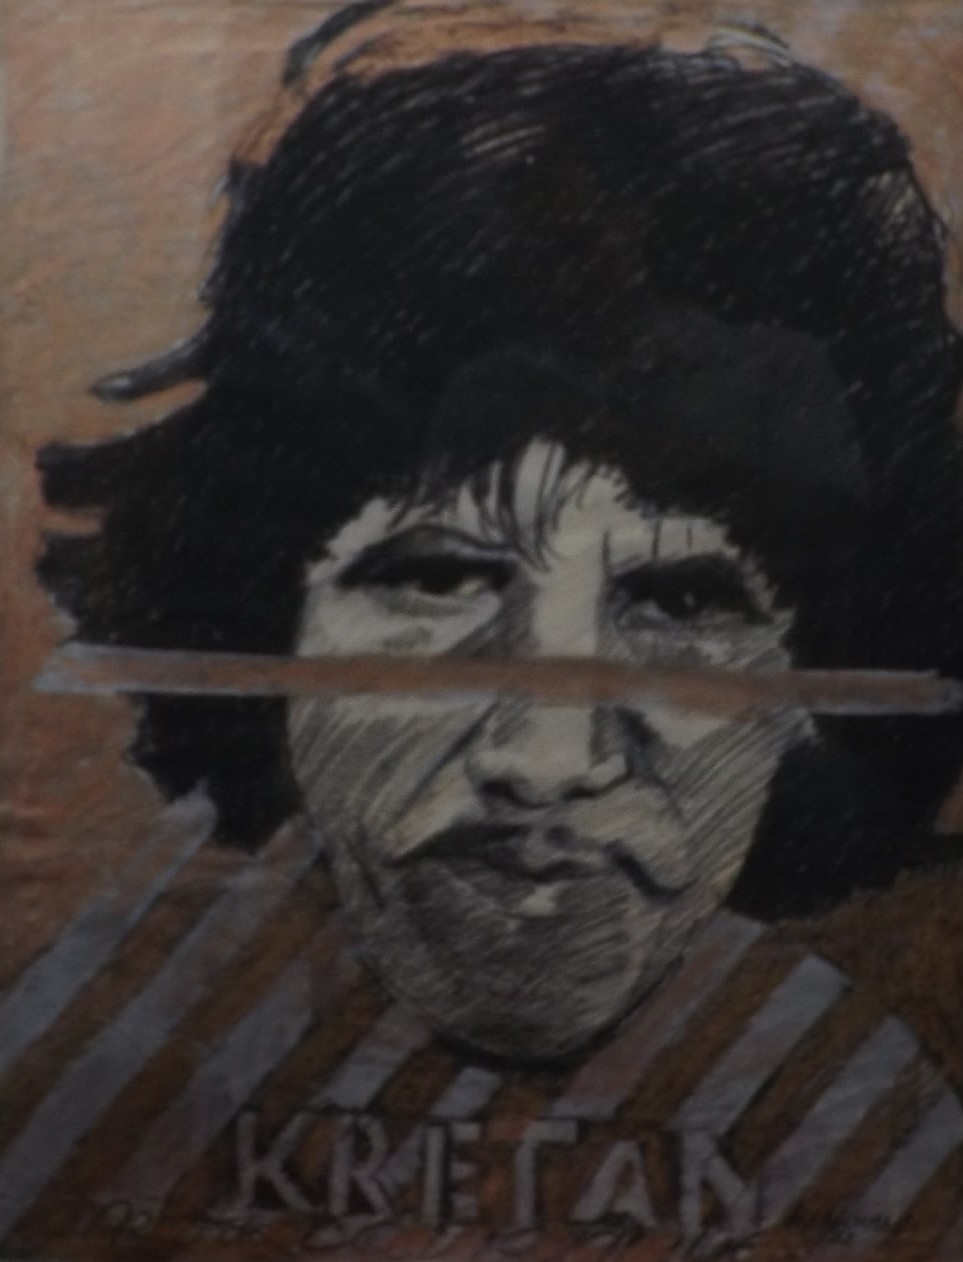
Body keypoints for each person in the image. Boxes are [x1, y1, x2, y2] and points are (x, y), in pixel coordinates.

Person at [37, 29, 963, 1066]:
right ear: (257, 618)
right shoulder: (83, 1041)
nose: (548, 760)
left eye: (682, 603)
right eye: (435, 578)